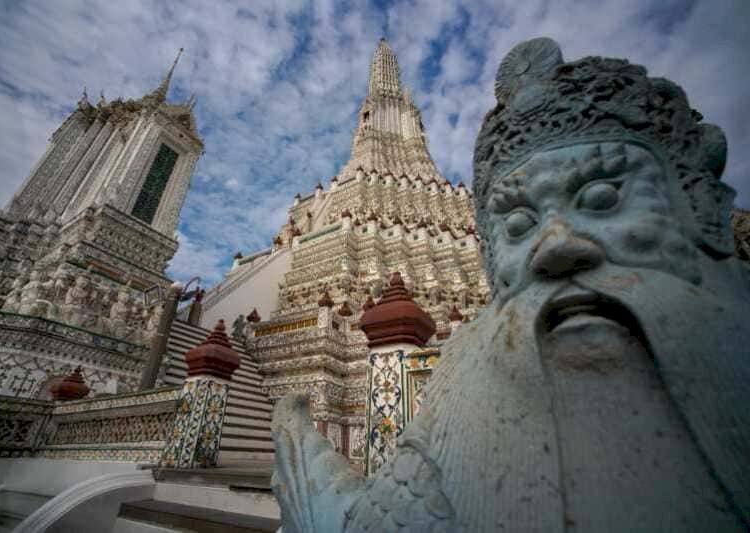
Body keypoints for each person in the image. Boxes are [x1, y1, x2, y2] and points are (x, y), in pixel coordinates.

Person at [270, 38, 750, 532]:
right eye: (519, 225)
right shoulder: (465, 393)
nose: (555, 247)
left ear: (702, 214)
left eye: (602, 198)